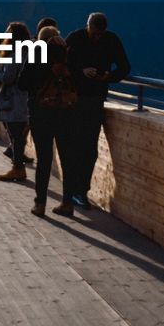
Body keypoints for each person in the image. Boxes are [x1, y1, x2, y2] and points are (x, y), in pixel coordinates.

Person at [64, 12, 130, 208]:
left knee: (89, 148)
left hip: (94, 100)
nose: (96, 38)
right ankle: (73, 190)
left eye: (99, 34)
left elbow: (125, 67)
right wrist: (81, 71)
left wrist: (109, 76)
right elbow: (61, 64)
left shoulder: (111, 40)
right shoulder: (75, 38)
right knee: (75, 145)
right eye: (94, 34)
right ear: (88, 26)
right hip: (74, 98)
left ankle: (80, 191)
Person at [22, 26, 77, 217]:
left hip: (41, 113)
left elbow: (24, 82)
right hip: (65, 112)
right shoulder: (69, 53)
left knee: (44, 159)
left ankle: (40, 203)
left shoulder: (37, 52)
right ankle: (68, 203)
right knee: (67, 158)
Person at [0, 21, 33, 182]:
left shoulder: (16, 54)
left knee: (15, 134)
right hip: (28, 99)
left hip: (14, 100)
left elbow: (8, 77)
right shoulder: (31, 52)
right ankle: (18, 166)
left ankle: (18, 168)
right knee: (20, 135)